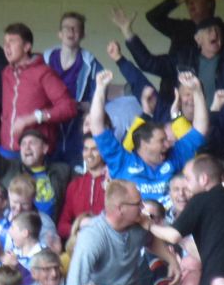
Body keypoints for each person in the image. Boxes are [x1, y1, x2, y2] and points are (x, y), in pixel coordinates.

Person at [88, 70, 208, 205]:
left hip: (170, 223)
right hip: (135, 223)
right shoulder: (121, 161)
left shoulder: (175, 156)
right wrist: (100, 88)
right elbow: (97, 127)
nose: (168, 144)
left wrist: (197, 91)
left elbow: (200, 130)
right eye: (162, 141)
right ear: (144, 144)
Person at [150, 153, 224, 285]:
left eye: (188, 179)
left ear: (203, 179)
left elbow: (173, 236)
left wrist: (147, 224)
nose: (186, 185)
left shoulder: (200, 200)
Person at [62, 178, 152, 285]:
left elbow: (152, 240)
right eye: (138, 203)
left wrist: (171, 260)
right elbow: (75, 280)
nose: (142, 207)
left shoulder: (138, 225)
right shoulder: (93, 235)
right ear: (120, 209)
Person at [43, 12, 104, 163]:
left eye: (76, 29)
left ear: (82, 34)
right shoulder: (45, 60)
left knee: (76, 170)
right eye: (66, 28)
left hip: (77, 126)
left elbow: (99, 100)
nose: (71, 32)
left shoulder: (91, 64)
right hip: (50, 125)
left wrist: (79, 106)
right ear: (59, 33)